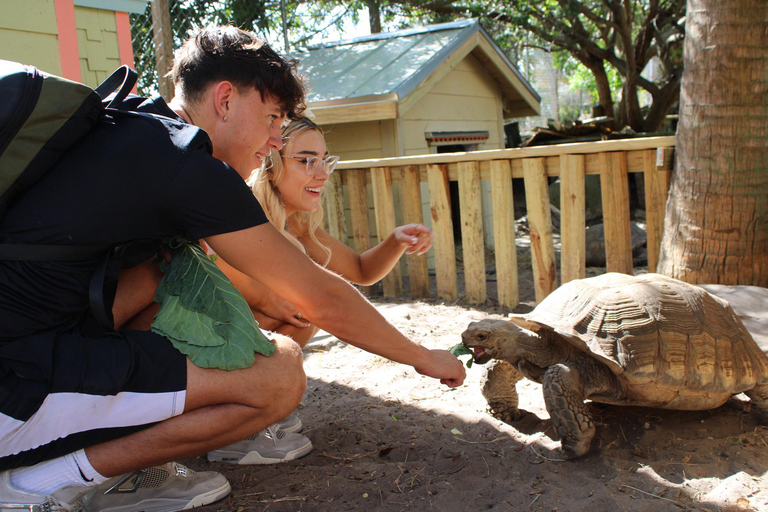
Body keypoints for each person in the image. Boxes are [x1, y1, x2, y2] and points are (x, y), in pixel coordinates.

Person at [0, 25, 465, 512]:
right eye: (271, 117)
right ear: (225, 99)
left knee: (166, 273)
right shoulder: (184, 164)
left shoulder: (131, 127)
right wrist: (423, 357)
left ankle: (117, 461)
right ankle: (46, 481)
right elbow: (319, 296)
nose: (273, 139)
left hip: (31, 348)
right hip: (17, 388)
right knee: (278, 373)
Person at [214, 116, 434, 348]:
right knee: (306, 305)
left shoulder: (298, 226)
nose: (323, 175)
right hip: (206, 347)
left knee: (307, 310)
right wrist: (267, 300)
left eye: (325, 161)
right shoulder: (238, 212)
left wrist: (396, 240)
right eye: (307, 160)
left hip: (255, 352)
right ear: (270, 165)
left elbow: (360, 270)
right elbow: (214, 258)